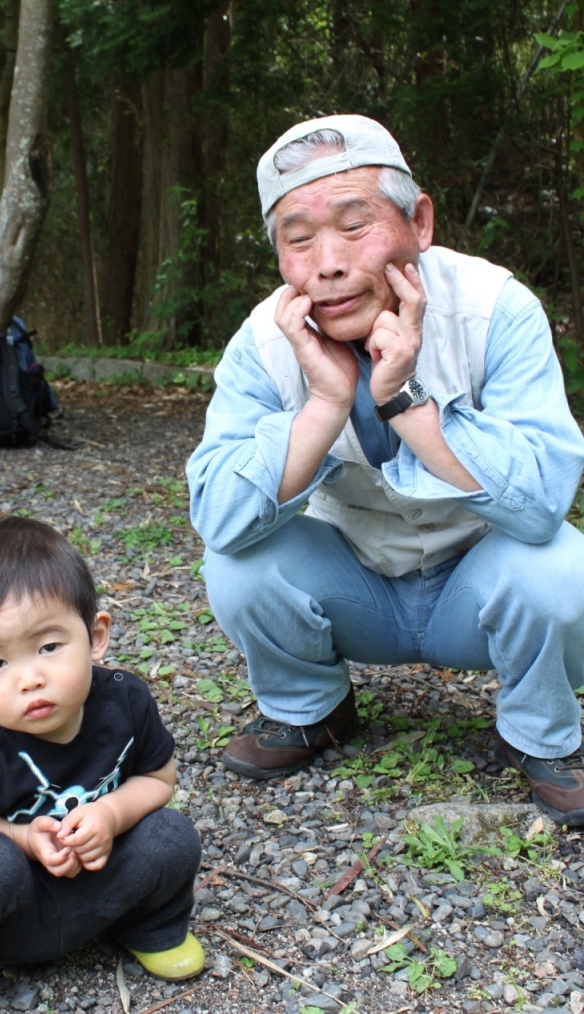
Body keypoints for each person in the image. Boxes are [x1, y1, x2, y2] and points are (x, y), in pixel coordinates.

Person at [186, 114, 584, 824]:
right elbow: (219, 517)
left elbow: (541, 502)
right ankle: (311, 708)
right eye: (298, 239)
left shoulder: (495, 308)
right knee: (238, 563)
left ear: (419, 222)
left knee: (559, 568)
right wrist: (324, 404)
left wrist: (406, 401)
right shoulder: (263, 342)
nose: (328, 264)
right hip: (356, 586)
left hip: (477, 585)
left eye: (353, 226)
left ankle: (540, 734)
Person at [0, 516, 204, 1014]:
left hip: (106, 890)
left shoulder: (126, 703)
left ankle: (151, 929)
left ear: (95, 635)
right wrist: (22, 838)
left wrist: (110, 814)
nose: (29, 678)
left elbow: (159, 779)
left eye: (48, 647)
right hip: (11, 916)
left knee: (171, 835)